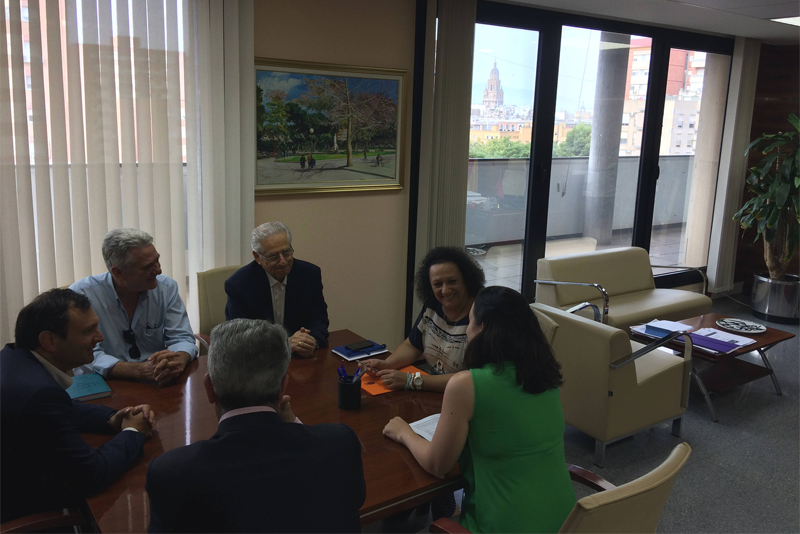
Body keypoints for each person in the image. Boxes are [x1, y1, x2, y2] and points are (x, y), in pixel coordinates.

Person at [382, 286, 575, 534]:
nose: (467, 331)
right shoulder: (544, 374)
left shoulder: (466, 384)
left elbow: (437, 466)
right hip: (567, 522)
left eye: (470, 322)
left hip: (502, 526)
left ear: (483, 329)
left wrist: (404, 433)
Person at [146, 319, 365, 533]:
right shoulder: (340, 444)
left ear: (209, 388)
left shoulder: (171, 474)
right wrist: (295, 425)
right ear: (282, 388)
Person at [0, 289, 155, 524]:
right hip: (25, 510)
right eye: (87, 331)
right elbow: (92, 475)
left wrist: (114, 418)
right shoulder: (38, 394)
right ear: (49, 340)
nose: (100, 337)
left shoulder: (14, 358)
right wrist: (133, 432)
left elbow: (61, 408)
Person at [70, 228, 198, 384]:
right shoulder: (81, 295)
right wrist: (138, 370)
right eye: (147, 267)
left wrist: (178, 359)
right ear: (118, 272)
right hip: (107, 382)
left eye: (157, 260)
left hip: (158, 378)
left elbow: (181, 337)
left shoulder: (167, 287)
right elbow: (82, 354)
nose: (158, 270)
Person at [361, 247, 484, 392]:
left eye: (452, 281)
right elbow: (412, 346)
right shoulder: (432, 306)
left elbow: (472, 379)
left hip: (463, 399)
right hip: (431, 393)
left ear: (466, 279)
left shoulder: (480, 316)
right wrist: (387, 364)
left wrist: (412, 381)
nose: (445, 290)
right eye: (438, 284)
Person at [225, 222, 329, 356]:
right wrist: (284, 344)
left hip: (301, 358)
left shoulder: (309, 275)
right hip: (260, 362)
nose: (283, 261)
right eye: (273, 256)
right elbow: (239, 338)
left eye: (286, 252)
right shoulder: (239, 285)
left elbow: (319, 319)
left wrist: (313, 341)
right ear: (257, 257)